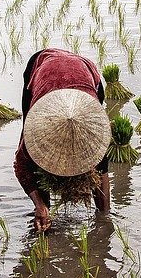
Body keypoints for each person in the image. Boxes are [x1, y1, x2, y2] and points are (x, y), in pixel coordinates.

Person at [14, 48, 112, 233]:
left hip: (84, 70)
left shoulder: (95, 130)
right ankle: (44, 213)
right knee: (35, 160)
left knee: (96, 156)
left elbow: (102, 165)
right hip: (43, 67)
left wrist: (104, 218)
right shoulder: (38, 126)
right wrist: (40, 205)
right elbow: (22, 166)